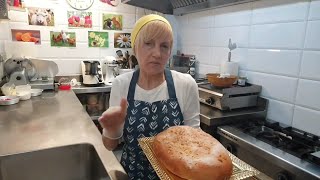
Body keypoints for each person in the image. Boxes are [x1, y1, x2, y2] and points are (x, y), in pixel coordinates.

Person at [98, 14, 200, 180]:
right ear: (135, 47)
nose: (157, 53)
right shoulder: (121, 84)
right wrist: (112, 128)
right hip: (131, 175)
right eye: (148, 43)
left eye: (164, 46)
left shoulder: (186, 84)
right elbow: (110, 146)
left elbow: (194, 141)